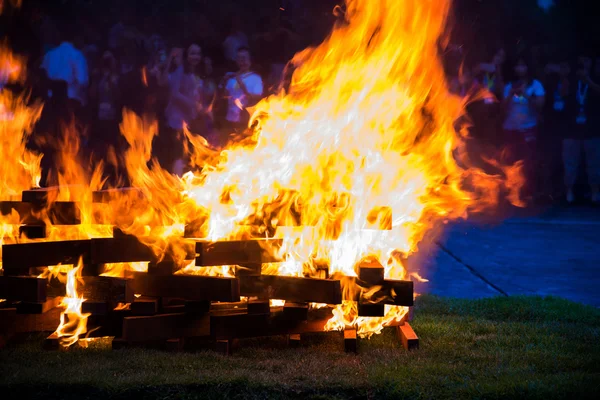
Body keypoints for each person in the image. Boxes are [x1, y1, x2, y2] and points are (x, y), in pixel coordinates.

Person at [502, 56, 546, 202]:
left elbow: (540, 106)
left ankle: (530, 193)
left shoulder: (536, 85)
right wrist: (510, 94)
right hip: (511, 129)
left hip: (529, 129)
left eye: (523, 65)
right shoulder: (509, 85)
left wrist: (525, 93)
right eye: (517, 66)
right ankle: (513, 193)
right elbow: (502, 108)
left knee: (529, 162)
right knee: (511, 161)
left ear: (528, 68)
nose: (520, 69)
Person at [157, 44, 204, 174]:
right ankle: (176, 186)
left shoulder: (193, 72)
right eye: (192, 53)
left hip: (189, 118)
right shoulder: (181, 70)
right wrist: (193, 104)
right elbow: (175, 93)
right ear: (186, 56)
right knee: (179, 153)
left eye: (198, 53)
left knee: (186, 153)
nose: (195, 57)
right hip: (177, 119)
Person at [562, 55, 600, 204]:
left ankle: (595, 192)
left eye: (587, 59)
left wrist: (588, 81)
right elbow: (563, 94)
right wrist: (564, 76)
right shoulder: (570, 79)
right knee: (570, 163)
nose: (584, 62)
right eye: (582, 59)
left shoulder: (596, 78)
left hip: (593, 130)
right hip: (571, 130)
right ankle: (569, 191)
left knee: (594, 163)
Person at [40, 25, 89, 109]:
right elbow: (83, 81)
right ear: (76, 37)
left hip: (51, 101)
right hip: (71, 102)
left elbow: (41, 76)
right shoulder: (77, 55)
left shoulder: (49, 55)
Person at [220, 47, 263, 136]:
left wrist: (241, 83)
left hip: (246, 120)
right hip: (230, 119)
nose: (242, 62)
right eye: (239, 59)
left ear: (250, 60)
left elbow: (257, 97)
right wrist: (223, 82)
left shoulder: (255, 78)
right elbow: (224, 96)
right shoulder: (232, 78)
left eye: (244, 58)